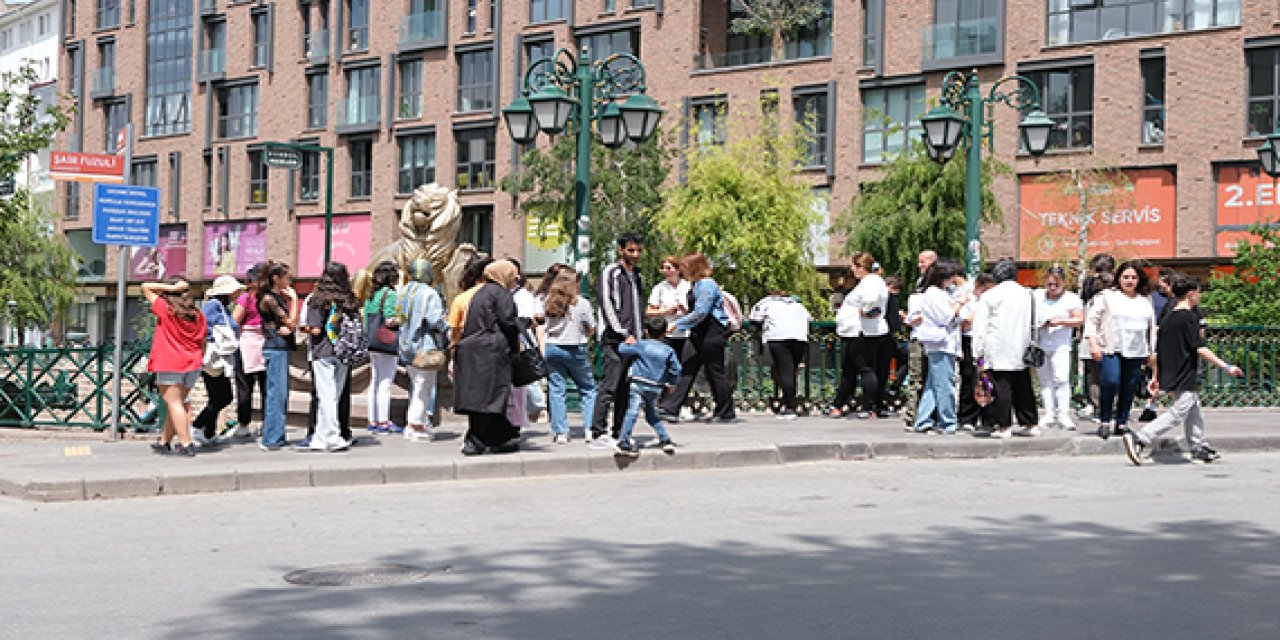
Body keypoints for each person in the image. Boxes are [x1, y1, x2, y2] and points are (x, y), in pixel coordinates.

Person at [1122, 275, 1243, 466]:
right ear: (1190, 294)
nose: (1200, 297)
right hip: (1184, 371)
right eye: (1199, 293)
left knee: (1194, 410)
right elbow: (1199, 347)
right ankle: (1141, 437)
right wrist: (1225, 366)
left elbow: (1159, 350)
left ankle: (1198, 447)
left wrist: (1157, 375)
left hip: (1171, 370)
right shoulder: (1189, 317)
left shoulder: (1169, 317)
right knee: (1178, 413)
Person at [453, 260, 522, 456]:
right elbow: (507, 321)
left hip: (474, 350)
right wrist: (522, 325)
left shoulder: (480, 292)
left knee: (480, 397)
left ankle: (497, 437)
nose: (515, 279)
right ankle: (478, 440)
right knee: (491, 396)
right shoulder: (501, 294)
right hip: (491, 352)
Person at [1084, 260, 1157, 440]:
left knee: (1129, 385)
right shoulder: (1107, 296)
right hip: (1111, 347)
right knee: (1111, 381)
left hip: (1136, 349)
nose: (1130, 281)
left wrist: (1151, 350)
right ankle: (1105, 420)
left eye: (1133, 277)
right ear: (1119, 278)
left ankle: (1122, 422)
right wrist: (1093, 343)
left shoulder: (1144, 300)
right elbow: (1092, 319)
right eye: (1126, 277)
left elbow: (1151, 326)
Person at [665, 252, 738, 424]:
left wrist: (678, 324)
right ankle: (670, 407)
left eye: (684, 266)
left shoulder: (706, 285)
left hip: (711, 333)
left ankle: (726, 411)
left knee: (715, 372)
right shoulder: (697, 284)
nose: (682, 270)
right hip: (699, 333)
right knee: (687, 367)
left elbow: (701, 312)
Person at [972, 258, 1040, 439]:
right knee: (1024, 386)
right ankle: (1030, 423)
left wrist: (977, 351)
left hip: (997, 346)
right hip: (1022, 346)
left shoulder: (990, 296)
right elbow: (1035, 321)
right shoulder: (1028, 294)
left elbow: (980, 327)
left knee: (1002, 387)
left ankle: (1004, 426)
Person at [591, 232, 645, 447]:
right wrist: (622, 332)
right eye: (631, 250)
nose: (635, 255)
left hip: (634, 339)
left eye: (639, 250)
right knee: (609, 385)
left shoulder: (637, 276)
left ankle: (619, 431)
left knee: (626, 387)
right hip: (614, 339)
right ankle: (597, 432)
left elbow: (637, 308)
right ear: (621, 250)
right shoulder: (610, 273)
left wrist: (639, 336)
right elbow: (607, 304)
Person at [143, 279, 207, 457]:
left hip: (170, 361)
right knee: (176, 404)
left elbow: (145, 286)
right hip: (192, 362)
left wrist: (171, 287)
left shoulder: (166, 309)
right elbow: (202, 341)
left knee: (174, 403)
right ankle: (164, 441)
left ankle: (186, 443)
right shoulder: (198, 314)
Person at [299, 263, 359, 452]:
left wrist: (305, 329)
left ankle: (331, 436)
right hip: (343, 351)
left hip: (322, 351)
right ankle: (321, 435)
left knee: (326, 396)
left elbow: (316, 330)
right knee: (335, 394)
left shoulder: (317, 300)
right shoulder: (349, 299)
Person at [830, 252, 892, 419]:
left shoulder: (870, 283)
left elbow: (870, 301)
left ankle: (869, 406)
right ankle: (839, 403)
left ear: (861, 268)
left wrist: (864, 311)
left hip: (860, 331)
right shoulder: (872, 282)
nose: (851, 269)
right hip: (863, 331)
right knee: (850, 369)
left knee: (865, 369)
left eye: (854, 266)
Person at [542, 271, 597, 444]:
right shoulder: (581, 303)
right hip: (575, 347)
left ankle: (561, 432)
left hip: (552, 347)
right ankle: (590, 428)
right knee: (588, 388)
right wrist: (587, 336)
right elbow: (592, 326)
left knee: (557, 389)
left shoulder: (549, 301)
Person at [614, 318, 683, 457]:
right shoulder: (668, 350)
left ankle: (624, 441)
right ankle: (665, 439)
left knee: (632, 411)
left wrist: (627, 341)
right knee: (651, 414)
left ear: (646, 331)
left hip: (638, 382)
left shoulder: (641, 345)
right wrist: (672, 383)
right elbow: (676, 368)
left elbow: (622, 349)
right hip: (655, 386)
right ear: (664, 333)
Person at [910, 262, 963, 434]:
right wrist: (958, 305)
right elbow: (945, 317)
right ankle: (948, 422)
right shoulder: (934, 294)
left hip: (940, 344)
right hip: (941, 344)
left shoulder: (936, 293)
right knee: (945, 385)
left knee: (933, 385)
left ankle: (923, 419)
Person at [397, 258, 446, 442]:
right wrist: (447, 326)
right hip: (424, 346)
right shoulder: (429, 293)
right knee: (423, 387)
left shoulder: (403, 292)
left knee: (415, 385)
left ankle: (412, 424)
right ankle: (416, 425)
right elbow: (435, 320)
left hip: (405, 346)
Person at [191, 275, 243, 445]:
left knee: (216, 396)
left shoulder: (221, 307)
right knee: (224, 397)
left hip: (219, 357)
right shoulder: (214, 306)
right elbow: (201, 324)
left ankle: (209, 433)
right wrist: (211, 339)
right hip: (213, 357)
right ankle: (198, 425)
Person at [1035, 265, 1084, 430]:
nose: (1052, 288)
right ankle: (1049, 414)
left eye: (1056, 284)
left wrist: (1061, 321)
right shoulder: (1037, 296)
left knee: (1061, 379)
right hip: (1041, 344)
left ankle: (1063, 414)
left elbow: (1079, 319)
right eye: (1049, 284)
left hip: (1061, 345)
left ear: (1064, 283)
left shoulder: (1071, 299)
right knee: (1045, 381)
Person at [749, 290, 812, 419]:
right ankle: (791, 402)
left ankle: (790, 407)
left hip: (778, 337)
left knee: (785, 371)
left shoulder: (767, 302)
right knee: (791, 371)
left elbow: (755, 318)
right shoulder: (797, 304)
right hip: (799, 338)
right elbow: (809, 319)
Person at [256, 261, 299, 450]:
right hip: (275, 347)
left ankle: (276, 435)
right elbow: (290, 323)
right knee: (276, 394)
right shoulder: (269, 299)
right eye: (287, 277)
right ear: (276, 278)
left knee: (280, 393)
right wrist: (295, 300)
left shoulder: (274, 297)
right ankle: (271, 438)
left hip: (279, 347)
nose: (289, 281)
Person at [647, 255, 692, 416]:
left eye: (669, 268)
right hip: (667, 333)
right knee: (665, 368)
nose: (665, 271)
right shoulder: (659, 288)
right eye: (663, 268)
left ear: (678, 269)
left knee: (683, 369)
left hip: (686, 333)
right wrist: (666, 311)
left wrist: (684, 310)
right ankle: (663, 402)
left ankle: (680, 403)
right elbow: (650, 311)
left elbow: (697, 311)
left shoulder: (688, 286)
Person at [363, 260, 402, 435]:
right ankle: (384, 421)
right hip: (386, 342)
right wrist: (404, 319)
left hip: (372, 342)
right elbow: (389, 319)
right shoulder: (391, 294)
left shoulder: (372, 295)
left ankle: (372, 420)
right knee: (386, 382)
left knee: (375, 381)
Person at [228, 263, 265, 439]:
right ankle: (267, 423)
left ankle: (243, 424)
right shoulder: (272, 297)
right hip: (266, 343)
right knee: (267, 387)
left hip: (246, 344)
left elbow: (235, 321)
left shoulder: (245, 298)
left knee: (244, 386)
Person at [902, 249, 938, 427]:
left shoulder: (939, 285)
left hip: (933, 337)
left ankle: (931, 415)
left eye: (923, 262)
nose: (919, 265)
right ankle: (913, 416)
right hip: (918, 336)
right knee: (916, 377)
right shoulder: (919, 283)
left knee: (934, 378)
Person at [958, 271, 995, 431]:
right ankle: (968, 418)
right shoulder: (968, 299)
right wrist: (978, 315)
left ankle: (989, 418)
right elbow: (963, 323)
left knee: (987, 380)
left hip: (987, 342)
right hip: (969, 340)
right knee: (969, 378)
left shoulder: (993, 300)